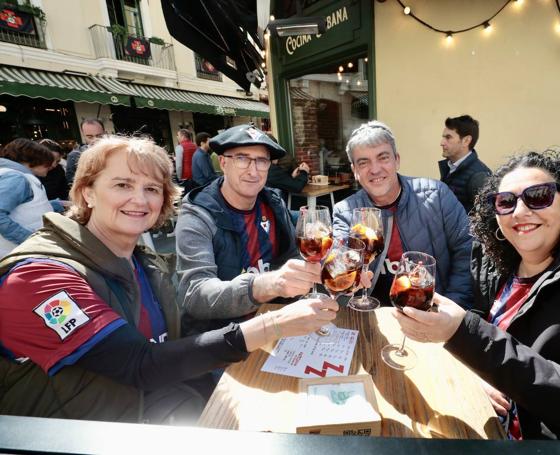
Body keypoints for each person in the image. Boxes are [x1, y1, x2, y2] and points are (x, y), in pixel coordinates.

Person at [0, 135, 338, 424]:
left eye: (152, 188)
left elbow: (171, 346)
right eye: (122, 185)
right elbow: (140, 364)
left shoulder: (143, 262)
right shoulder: (39, 277)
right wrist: (272, 325)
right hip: (71, 437)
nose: (140, 199)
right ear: (87, 192)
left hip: (154, 411)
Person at [393, 150, 560, 454]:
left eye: (538, 196)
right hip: (484, 420)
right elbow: (487, 322)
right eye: (506, 202)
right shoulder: (500, 264)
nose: (519, 212)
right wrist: (477, 372)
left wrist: (463, 333)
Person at [175, 124, 326, 335]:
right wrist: (267, 285)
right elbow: (195, 294)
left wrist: (337, 257)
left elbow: (294, 254)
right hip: (222, 339)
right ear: (223, 162)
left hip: (277, 324)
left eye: (262, 161)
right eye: (242, 158)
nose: (253, 171)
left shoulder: (272, 202)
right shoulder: (198, 215)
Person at [333, 121, 474, 309]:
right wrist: (343, 275)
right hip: (375, 313)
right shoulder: (345, 211)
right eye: (363, 162)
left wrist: (452, 307)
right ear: (354, 171)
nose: (375, 169)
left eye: (383, 158)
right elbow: (339, 259)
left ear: (397, 160)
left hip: (431, 309)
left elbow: (468, 251)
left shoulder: (437, 195)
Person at [0, 138, 58, 258]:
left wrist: (57, 205)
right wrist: (30, 240)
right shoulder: (16, 178)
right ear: (30, 161)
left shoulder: (18, 176)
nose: (51, 166)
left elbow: (26, 207)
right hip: (17, 255)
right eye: (46, 163)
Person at [439, 115, 491, 213]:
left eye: (448, 137)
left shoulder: (479, 176)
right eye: (443, 137)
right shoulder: (450, 168)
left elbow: (487, 218)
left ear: (466, 141)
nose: (442, 143)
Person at [66, 118, 105, 185]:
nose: (95, 140)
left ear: (104, 133)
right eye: (90, 137)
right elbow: (72, 183)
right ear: (83, 135)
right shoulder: (74, 156)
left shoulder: (114, 152)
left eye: (99, 136)